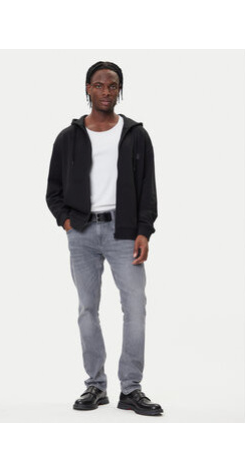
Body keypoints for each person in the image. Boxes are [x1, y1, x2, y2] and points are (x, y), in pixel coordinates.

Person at [45, 61, 163, 416]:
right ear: (87, 88)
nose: (106, 92)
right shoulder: (68, 138)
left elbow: (148, 188)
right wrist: (67, 221)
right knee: (87, 309)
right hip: (81, 232)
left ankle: (131, 389)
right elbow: (53, 190)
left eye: (112, 86)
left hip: (124, 232)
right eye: (99, 85)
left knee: (135, 308)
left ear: (119, 90)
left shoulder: (135, 134)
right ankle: (95, 386)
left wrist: (143, 230)